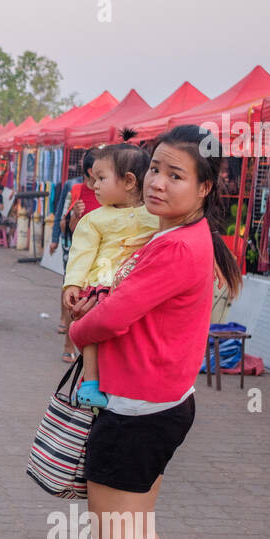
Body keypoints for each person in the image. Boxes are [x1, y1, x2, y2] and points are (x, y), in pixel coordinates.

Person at [38, 124, 242, 539]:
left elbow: (109, 321)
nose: (156, 182)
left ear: (205, 187)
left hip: (133, 413)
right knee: (140, 532)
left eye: (175, 175)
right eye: (154, 168)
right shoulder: (187, 236)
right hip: (164, 404)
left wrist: (77, 324)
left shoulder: (176, 246)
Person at [60, 144, 158, 397]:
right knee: (91, 329)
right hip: (100, 285)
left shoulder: (156, 216)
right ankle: (91, 382)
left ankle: (129, 377)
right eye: (93, 179)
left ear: (128, 181)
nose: (94, 186)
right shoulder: (93, 220)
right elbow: (81, 253)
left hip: (137, 288)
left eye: (101, 179)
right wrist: (73, 284)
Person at [55, 152, 102, 353]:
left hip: (102, 257)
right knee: (74, 294)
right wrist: (75, 214)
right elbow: (65, 224)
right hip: (78, 253)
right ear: (92, 171)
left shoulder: (109, 193)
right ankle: (68, 342)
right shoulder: (75, 190)